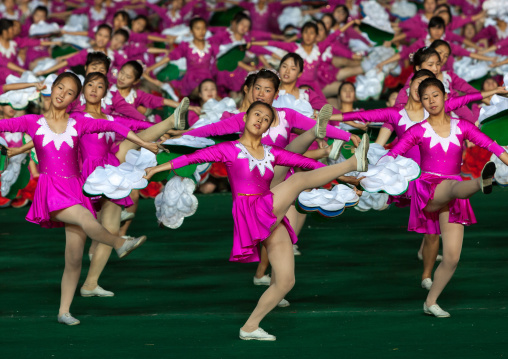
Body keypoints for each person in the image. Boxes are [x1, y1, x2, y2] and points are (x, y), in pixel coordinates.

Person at [143, 100, 370, 340]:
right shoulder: (230, 148)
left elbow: (309, 164)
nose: (259, 120)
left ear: (267, 128)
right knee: (294, 182)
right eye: (256, 115)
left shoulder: (273, 153)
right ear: (245, 119)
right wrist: (157, 170)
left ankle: (249, 327)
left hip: (270, 211)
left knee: (285, 281)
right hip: (251, 210)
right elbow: (193, 158)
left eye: (265, 119)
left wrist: (349, 180)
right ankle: (354, 161)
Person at [1, 72, 157, 325]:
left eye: (70, 92)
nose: (62, 94)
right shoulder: (32, 121)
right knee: (85, 218)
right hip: (50, 191)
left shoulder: (80, 123)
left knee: (73, 258)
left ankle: (64, 312)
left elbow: (115, 126)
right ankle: (119, 243)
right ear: (51, 89)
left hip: (75, 189)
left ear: (74, 99)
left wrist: (144, 143)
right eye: (59, 88)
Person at [383, 77, 508, 317]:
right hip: (429, 188)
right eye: (426, 97)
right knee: (453, 186)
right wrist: (372, 177)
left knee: (451, 257)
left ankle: (430, 302)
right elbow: (393, 154)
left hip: (455, 191)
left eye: (435, 95)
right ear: (421, 100)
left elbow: (493, 146)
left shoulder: (462, 126)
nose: (431, 101)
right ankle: (481, 182)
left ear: (444, 97)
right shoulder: (418, 130)